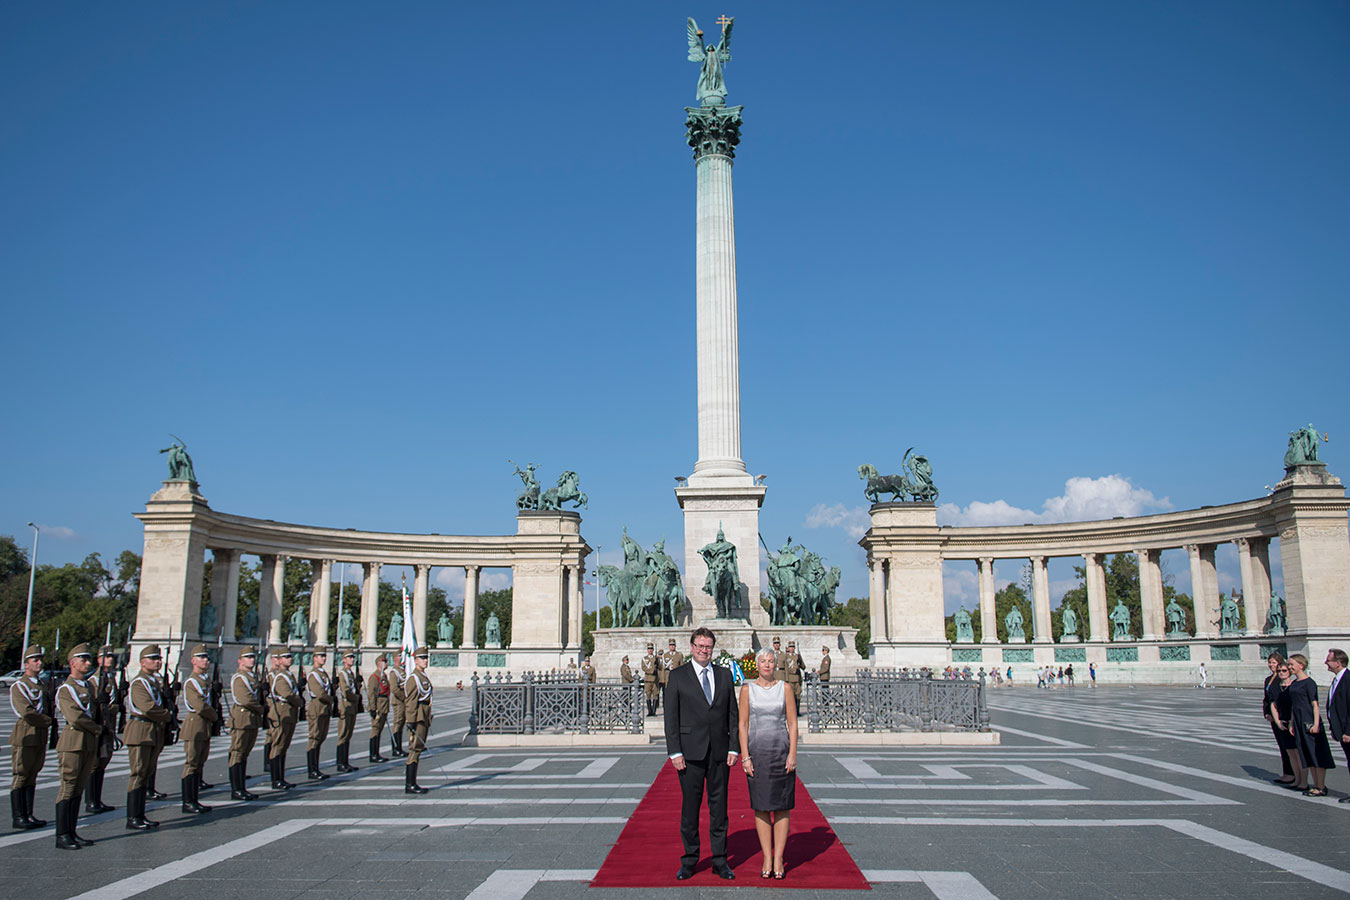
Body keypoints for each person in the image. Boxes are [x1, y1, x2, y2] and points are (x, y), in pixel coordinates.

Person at [664, 627, 739, 881]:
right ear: (692, 646)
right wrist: (674, 751)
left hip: (719, 752)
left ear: (712, 649)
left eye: (708, 647)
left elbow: (733, 714)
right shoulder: (677, 676)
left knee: (719, 810)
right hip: (690, 753)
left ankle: (720, 860)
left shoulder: (725, 675)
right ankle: (690, 860)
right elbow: (671, 717)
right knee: (690, 810)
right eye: (700, 646)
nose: (704, 650)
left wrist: (734, 747)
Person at [739, 647, 797, 880]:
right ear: (756, 664)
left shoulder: (786, 688)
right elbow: (742, 724)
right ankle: (766, 856)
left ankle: (779, 857)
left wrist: (793, 753)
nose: (767, 665)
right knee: (761, 806)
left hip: (781, 752)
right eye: (763, 661)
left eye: (771, 661)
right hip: (758, 752)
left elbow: (792, 723)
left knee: (782, 805)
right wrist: (745, 756)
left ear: (775, 664)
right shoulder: (747, 690)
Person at [54, 643, 101, 849]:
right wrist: (97, 728)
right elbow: (75, 717)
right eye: (84, 660)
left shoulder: (88, 686)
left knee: (78, 788)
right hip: (73, 741)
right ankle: (62, 834)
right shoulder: (66, 689)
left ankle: (72, 831)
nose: (88, 663)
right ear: (73, 663)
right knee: (68, 787)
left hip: (88, 741)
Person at [123, 644, 171, 830]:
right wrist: (167, 715)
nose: (158, 662)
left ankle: (140, 814)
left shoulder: (152, 681)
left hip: (152, 731)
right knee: (138, 773)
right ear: (143, 662)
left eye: (158, 659)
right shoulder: (139, 682)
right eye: (153, 659)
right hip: (140, 730)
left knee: (146, 773)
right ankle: (133, 817)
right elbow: (148, 707)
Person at [9, 645, 51, 831]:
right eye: (35, 660)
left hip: (39, 735)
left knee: (33, 774)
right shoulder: (20, 685)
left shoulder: (41, 684)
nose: (39, 663)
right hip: (26, 733)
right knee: (21, 774)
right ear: (26, 664)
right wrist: (47, 720)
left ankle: (28, 813)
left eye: (40, 659)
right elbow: (27, 712)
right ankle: (18, 816)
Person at [1287, 654, 1335, 796]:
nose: (1290, 667)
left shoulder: (1309, 683)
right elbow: (1293, 706)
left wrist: (1316, 723)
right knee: (1307, 754)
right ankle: (1315, 784)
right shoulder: (1294, 683)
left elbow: (1315, 705)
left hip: (1309, 721)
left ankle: (1321, 786)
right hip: (1298, 721)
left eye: (1292, 664)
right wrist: (1292, 722)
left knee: (1316, 753)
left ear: (1301, 665)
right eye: (1289, 664)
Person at [179, 644, 217, 814]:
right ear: (193, 661)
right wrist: (214, 715)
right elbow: (200, 706)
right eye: (202, 657)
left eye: (206, 658)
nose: (206, 660)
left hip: (204, 725)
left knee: (199, 762)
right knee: (192, 763)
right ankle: (188, 801)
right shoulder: (192, 681)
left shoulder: (204, 680)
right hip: (195, 723)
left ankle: (194, 798)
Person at [86, 645, 119, 814]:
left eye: (112, 656)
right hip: (98, 726)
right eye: (107, 657)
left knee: (103, 762)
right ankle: (91, 800)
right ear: (99, 660)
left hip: (108, 726)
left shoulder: (111, 679)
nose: (111, 659)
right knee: (94, 763)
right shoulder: (93, 681)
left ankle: (97, 799)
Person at [227, 648, 263, 801]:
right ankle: (236, 789)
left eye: (253, 657)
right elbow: (246, 700)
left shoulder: (252, 678)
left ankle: (242, 787)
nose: (251, 660)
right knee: (237, 753)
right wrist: (261, 708)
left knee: (244, 754)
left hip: (251, 720)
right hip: (242, 719)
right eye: (247, 657)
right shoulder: (239, 678)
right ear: (240, 661)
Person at [266, 648, 301, 790]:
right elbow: (287, 694)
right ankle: (276, 779)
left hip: (288, 714)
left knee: (283, 746)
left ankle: (280, 777)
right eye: (286, 657)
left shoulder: (289, 675)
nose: (289, 659)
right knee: (278, 745)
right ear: (279, 660)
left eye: (290, 656)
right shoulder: (280, 677)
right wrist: (299, 701)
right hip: (281, 713)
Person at [1270, 660, 1304, 790]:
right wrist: (1277, 721)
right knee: (1290, 753)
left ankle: (1302, 780)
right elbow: (1272, 703)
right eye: (1279, 671)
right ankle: (1295, 777)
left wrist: (1292, 721)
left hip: (1293, 722)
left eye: (1284, 670)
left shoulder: (1295, 685)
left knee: (1298, 753)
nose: (1281, 673)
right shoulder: (1276, 686)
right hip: (1282, 722)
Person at [1263, 653, 1296, 785]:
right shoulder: (1269, 679)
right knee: (1282, 745)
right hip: (1273, 716)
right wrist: (1266, 713)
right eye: (1270, 662)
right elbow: (1267, 699)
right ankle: (1287, 772)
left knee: (1288, 746)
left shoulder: (1281, 679)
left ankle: (1291, 773)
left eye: (1274, 662)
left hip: (1282, 716)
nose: (1271, 665)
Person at [403, 647, 433, 794]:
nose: (425, 660)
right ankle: (410, 783)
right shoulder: (413, 678)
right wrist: (410, 721)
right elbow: (410, 701)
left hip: (424, 715)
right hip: (418, 716)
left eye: (426, 658)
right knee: (414, 748)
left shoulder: (423, 676)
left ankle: (413, 781)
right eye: (422, 658)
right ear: (415, 660)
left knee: (418, 748)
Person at [1324, 648, 1350, 803]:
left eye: (1328, 660)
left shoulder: (1348, 679)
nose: (1326, 663)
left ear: (1338, 663)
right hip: (1341, 730)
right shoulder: (1337, 679)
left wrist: (1348, 731)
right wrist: (1334, 729)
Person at [305, 646, 334, 780]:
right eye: (320, 656)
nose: (323, 658)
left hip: (324, 709)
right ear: (314, 658)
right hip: (316, 708)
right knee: (314, 738)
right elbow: (319, 693)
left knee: (321, 738)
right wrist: (330, 699)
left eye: (324, 656)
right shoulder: (313, 674)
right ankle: (312, 769)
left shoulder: (323, 673)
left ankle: (316, 767)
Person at [335, 650, 361, 773]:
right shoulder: (343, 674)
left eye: (352, 657)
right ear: (344, 660)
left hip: (351, 707)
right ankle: (340, 762)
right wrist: (356, 698)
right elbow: (346, 691)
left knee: (348, 734)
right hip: (346, 706)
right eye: (349, 657)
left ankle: (345, 761)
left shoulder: (350, 673)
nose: (351, 659)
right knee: (343, 735)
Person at [366, 653, 391, 763]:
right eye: (385, 661)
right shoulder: (375, 677)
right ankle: (373, 754)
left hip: (383, 706)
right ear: (379, 663)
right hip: (378, 706)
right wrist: (372, 708)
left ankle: (377, 753)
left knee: (379, 730)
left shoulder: (383, 676)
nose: (387, 663)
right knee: (375, 731)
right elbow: (371, 693)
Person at [388, 651, 407, 758]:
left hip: (403, 701)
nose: (401, 658)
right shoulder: (394, 672)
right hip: (399, 702)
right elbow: (394, 688)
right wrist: (404, 697)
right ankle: (395, 748)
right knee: (397, 724)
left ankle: (399, 747)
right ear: (395, 658)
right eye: (400, 656)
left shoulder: (403, 671)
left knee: (401, 725)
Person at [642, 643, 660, 716]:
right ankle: (650, 711)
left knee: (655, 695)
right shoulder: (644, 658)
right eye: (649, 649)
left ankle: (654, 711)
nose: (650, 651)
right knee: (648, 695)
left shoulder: (656, 658)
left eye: (651, 649)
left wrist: (657, 663)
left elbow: (660, 666)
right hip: (648, 679)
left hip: (655, 679)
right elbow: (644, 667)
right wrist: (651, 671)